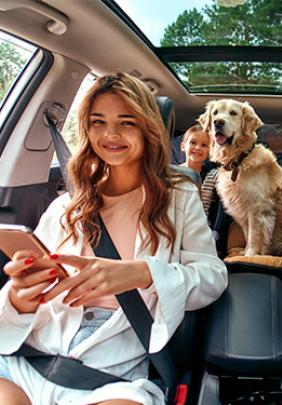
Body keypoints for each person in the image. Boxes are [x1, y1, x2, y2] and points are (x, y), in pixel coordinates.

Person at [0, 73, 227, 405]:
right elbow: (28, 295)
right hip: (31, 358)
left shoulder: (179, 197)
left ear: (148, 127)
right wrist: (20, 297)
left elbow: (213, 276)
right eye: (98, 122)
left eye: (126, 122)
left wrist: (142, 273)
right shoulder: (67, 204)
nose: (110, 134)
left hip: (112, 375)